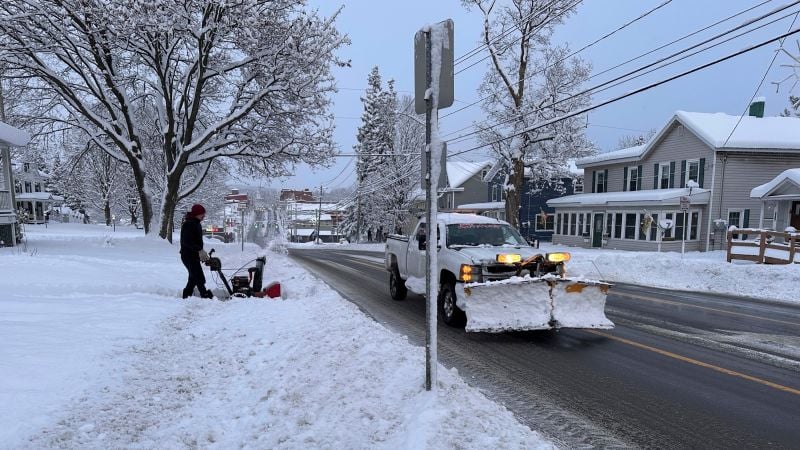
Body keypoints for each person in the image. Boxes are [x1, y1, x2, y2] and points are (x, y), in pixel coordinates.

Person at [180, 204, 214, 299]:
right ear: (196, 214)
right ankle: (204, 294)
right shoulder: (189, 224)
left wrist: (200, 252)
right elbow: (186, 241)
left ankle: (187, 295)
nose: (204, 216)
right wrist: (199, 250)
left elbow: (195, 240)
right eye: (202, 214)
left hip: (194, 255)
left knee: (193, 276)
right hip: (188, 255)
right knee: (198, 276)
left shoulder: (196, 223)